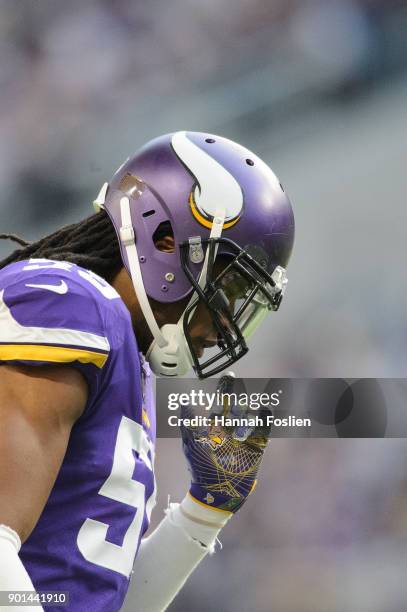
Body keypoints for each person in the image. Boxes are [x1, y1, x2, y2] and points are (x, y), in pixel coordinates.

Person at [0, 131, 294, 611]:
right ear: (164, 240)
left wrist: (202, 516)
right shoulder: (70, 303)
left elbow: (91, 600)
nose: (223, 326)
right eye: (228, 290)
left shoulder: (128, 362)